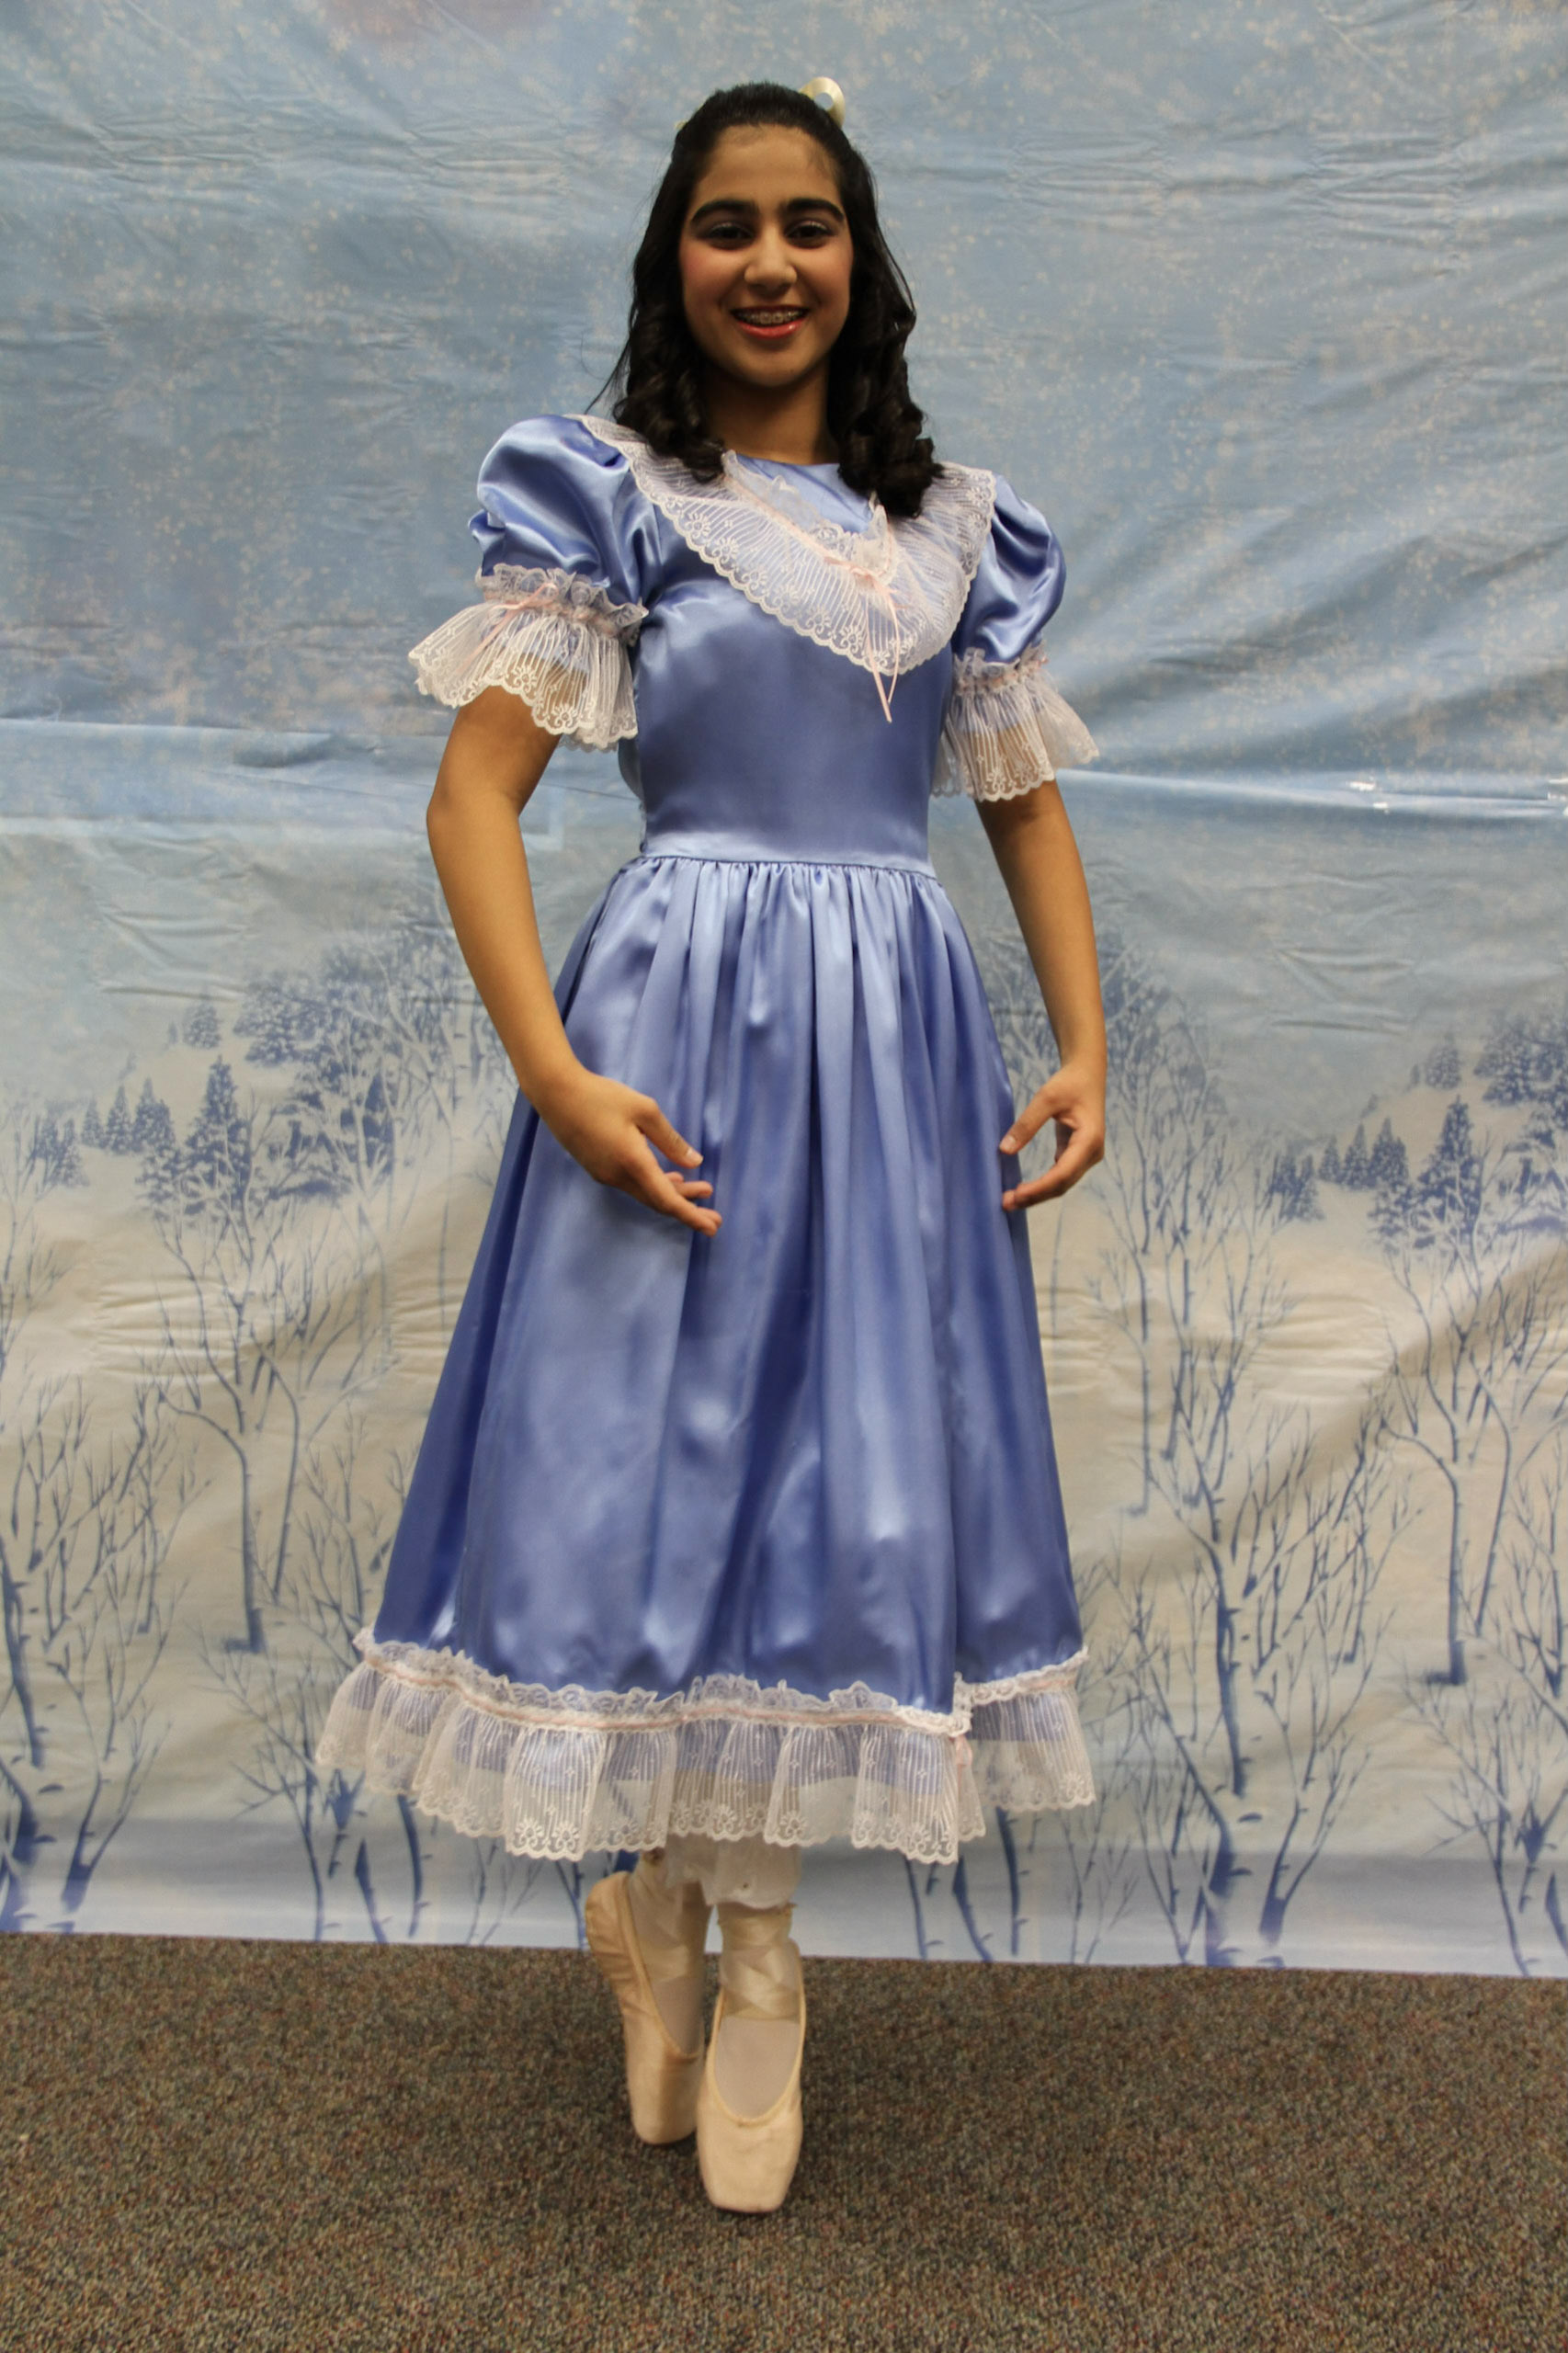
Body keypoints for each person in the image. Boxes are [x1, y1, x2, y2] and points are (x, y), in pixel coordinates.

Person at [318, 78, 1104, 2213]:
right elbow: (472, 798)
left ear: (864, 256)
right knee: (663, 1472)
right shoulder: (613, 495)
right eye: (728, 223)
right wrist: (556, 1071)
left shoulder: (961, 529)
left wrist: (1081, 1037)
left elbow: (1015, 793)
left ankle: (730, 1938)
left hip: (894, 1043)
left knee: (834, 1481)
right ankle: (707, 1927)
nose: (769, 261)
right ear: (674, 254)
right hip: (676, 1024)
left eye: (807, 223)